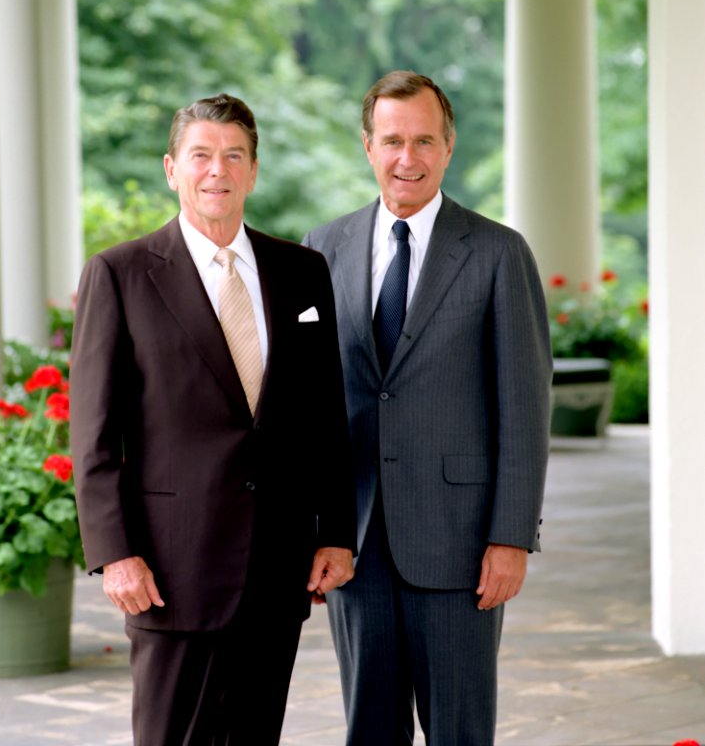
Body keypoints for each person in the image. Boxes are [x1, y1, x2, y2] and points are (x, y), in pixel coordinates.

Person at [70, 93, 356, 746]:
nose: (216, 171)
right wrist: (115, 554)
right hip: (171, 569)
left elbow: (326, 415)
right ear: (172, 168)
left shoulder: (303, 272)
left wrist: (336, 532)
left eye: (233, 156)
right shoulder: (121, 274)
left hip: (276, 567)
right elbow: (92, 434)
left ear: (253, 171)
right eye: (200, 155)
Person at [303, 70, 552, 746]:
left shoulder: (498, 253)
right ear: (367, 147)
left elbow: (524, 409)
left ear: (447, 148)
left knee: (459, 731)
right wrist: (313, 529)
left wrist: (510, 537)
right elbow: (306, 402)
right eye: (390, 141)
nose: (405, 158)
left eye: (422, 141)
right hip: (352, 541)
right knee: (369, 729)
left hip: (460, 541)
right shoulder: (320, 251)